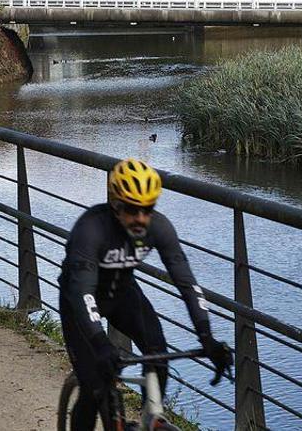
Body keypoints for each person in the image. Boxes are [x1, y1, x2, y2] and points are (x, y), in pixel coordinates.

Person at [58, 158, 232, 430]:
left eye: (147, 209)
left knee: (159, 355)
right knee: (94, 387)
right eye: (132, 209)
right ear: (116, 205)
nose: (141, 218)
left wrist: (206, 336)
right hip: (79, 300)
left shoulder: (159, 227)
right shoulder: (91, 229)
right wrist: (100, 343)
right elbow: (82, 292)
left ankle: (148, 418)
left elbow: (187, 284)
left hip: (124, 295)